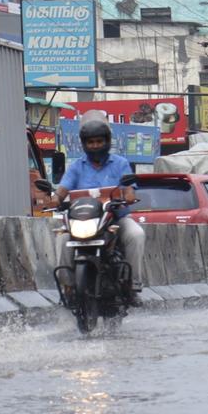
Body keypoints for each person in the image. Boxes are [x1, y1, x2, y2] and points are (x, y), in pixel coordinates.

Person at [47, 119, 145, 303]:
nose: (95, 146)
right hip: (82, 221)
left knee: (136, 234)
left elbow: (129, 188)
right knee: (62, 238)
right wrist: (55, 198)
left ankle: (132, 286)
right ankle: (67, 288)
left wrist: (129, 195)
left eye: (99, 141)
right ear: (84, 144)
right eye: (91, 142)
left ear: (107, 142)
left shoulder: (120, 163)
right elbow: (63, 189)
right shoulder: (77, 166)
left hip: (115, 219)